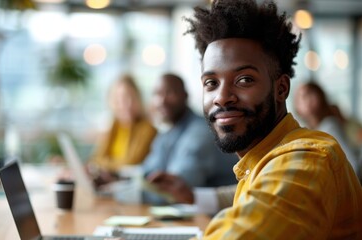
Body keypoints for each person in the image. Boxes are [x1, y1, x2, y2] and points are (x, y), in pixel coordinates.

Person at [149, 0, 362, 238]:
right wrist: (192, 197)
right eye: (211, 83)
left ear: (281, 89)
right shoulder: (263, 162)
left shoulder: (309, 159)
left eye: (244, 80)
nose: (222, 98)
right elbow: (257, 191)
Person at [142, 73, 238, 205]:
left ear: (185, 96)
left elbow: (174, 190)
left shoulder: (200, 133)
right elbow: (147, 171)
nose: (162, 100)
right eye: (158, 94)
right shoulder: (168, 132)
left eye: (170, 93)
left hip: (216, 215)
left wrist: (117, 191)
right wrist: (116, 180)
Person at [87, 74, 157, 187]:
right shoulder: (113, 126)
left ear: (138, 99)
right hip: (110, 186)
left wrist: (104, 165)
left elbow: (131, 162)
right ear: (113, 101)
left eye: (132, 98)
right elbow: (95, 159)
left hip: (132, 187)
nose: (127, 104)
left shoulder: (148, 129)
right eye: (121, 99)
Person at [294, 81, 361, 178]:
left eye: (310, 93)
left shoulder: (329, 126)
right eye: (301, 96)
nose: (307, 99)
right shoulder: (312, 131)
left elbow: (352, 165)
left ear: (320, 96)